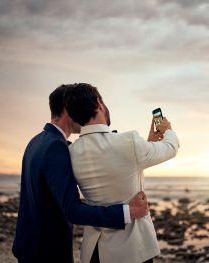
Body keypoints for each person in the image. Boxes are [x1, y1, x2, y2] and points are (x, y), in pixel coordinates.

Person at [12, 85, 149, 263]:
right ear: (68, 110)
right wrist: (127, 212)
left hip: (28, 247)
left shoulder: (36, 141)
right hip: (47, 252)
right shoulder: (56, 148)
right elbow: (73, 210)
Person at [65, 83, 180, 263]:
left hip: (94, 251)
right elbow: (171, 148)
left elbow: (129, 166)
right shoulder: (129, 141)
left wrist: (150, 141)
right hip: (132, 251)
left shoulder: (71, 152)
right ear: (99, 103)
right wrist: (167, 130)